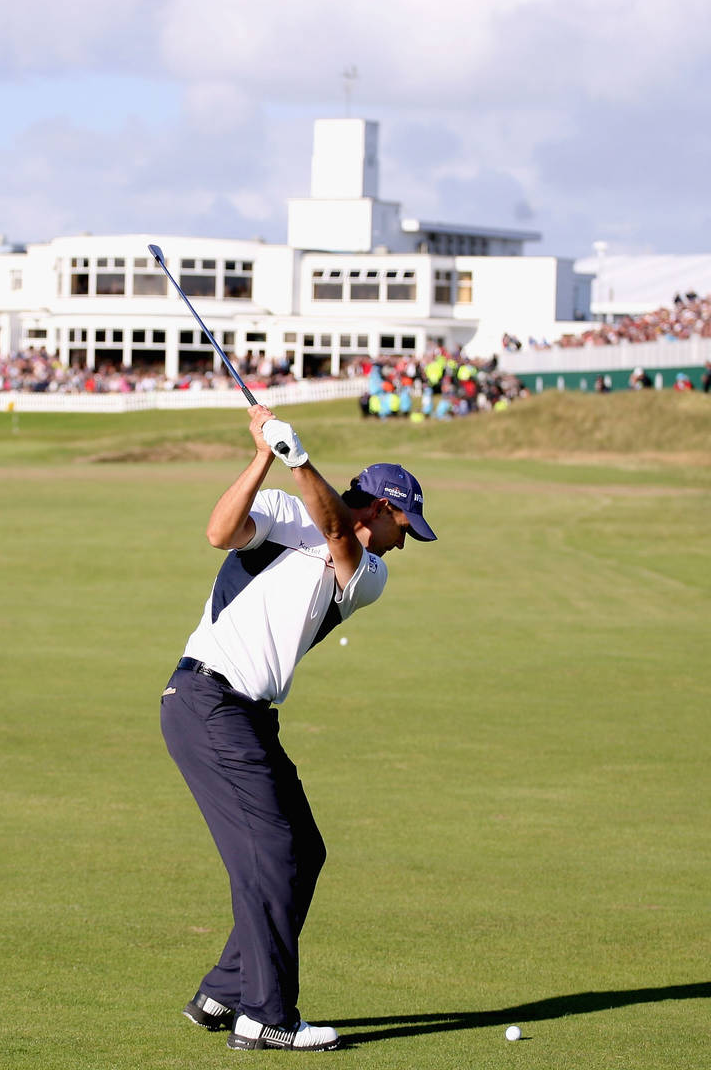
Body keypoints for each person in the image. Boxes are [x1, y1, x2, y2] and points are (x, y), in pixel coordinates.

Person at [162, 405, 434, 1052]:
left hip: (246, 716)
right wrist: (265, 455)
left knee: (300, 852)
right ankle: (267, 1017)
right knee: (274, 855)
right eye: (403, 525)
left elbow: (338, 536)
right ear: (380, 508)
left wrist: (300, 456)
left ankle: (223, 992)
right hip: (208, 700)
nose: (405, 541)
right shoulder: (284, 511)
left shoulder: (368, 575)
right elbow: (219, 531)